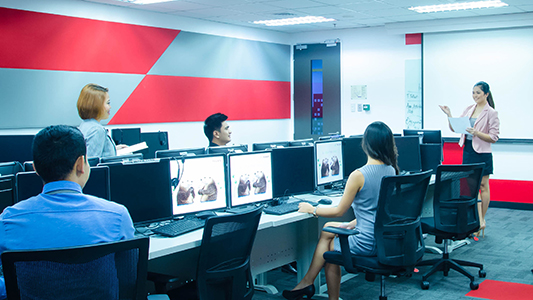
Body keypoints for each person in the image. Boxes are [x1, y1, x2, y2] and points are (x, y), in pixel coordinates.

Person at [0, 125, 135, 299]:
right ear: (81, 164)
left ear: (35, 168)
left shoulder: (8, 221)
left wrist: (11, 287)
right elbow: (129, 281)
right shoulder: (118, 216)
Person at [282, 121, 399, 300]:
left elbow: (338, 210)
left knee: (330, 250)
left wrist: (312, 209)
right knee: (328, 228)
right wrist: (352, 223)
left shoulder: (359, 175)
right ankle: (306, 283)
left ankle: (318, 290)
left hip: (367, 242)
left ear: (365, 143)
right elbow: (377, 209)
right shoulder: (391, 170)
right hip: (382, 238)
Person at [439, 81, 499, 238]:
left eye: (478, 93)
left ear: (486, 94)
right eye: (473, 93)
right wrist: (449, 115)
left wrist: (477, 133)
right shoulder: (468, 109)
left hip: (483, 152)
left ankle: (482, 219)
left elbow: (494, 137)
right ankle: (477, 221)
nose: (475, 96)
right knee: (472, 188)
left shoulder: (491, 112)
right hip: (468, 150)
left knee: (483, 186)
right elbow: (457, 128)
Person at [77, 83, 126, 157]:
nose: (110, 107)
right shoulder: (97, 130)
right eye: (108, 103)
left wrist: (112, 149)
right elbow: (93, 162)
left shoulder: (84, 126)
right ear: (97, 105)